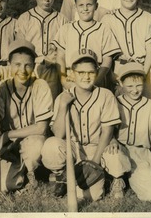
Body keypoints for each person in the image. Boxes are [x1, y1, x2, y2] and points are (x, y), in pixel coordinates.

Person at [41, 49, 123, 201]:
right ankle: (63, 176)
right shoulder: (63, 97)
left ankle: (111, 178)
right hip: (74, 149)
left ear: (97, 72)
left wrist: (94, 165)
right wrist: (63, 106)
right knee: (51, 145)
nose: (86, 77)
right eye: (81, 72)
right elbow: (58, 134)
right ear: (72, 73)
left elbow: (107, 132)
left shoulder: (105, 95)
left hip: (97, 149)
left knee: (91, 196)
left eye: (91, 72)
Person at [0, 39, 54, 191]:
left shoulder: (40, 85)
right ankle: (22, 174)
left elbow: (41, 128)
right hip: (10, 148)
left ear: (34, 66)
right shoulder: (2, 87)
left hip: (33, 142)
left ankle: (32, 174)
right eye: (17, 64)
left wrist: (8, 134)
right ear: (9, 64)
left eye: (27, 65)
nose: (22, 70)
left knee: (35, 145)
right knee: (7, 185)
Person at [103, 62, 151, 200]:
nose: (134, 90)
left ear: (144, 83)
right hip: (120, 150)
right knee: (113, 155)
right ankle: (116, 179)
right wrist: (112, 140)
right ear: (121, 84)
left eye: (139, 85)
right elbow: (108, 129)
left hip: (141, 154)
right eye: (129, 86)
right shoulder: (115, 102)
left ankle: (131, 177)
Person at [101, 0, 151, 98]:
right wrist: (112, 76)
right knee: (117, 111)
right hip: (117, 69)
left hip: (141, 67)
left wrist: (143, 76)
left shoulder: (147, 17)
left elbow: (150, 51)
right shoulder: (108, 19)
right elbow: (105, 52)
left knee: (143, 110)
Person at [52, 0, 121, 91]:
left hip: (95, 76)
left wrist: (97, 80)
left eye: (89, 4)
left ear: (96, 6)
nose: (85, 8)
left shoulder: (103, 29)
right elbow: (60, 57)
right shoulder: (66, 28)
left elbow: (107, 59)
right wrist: (63, 80)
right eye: (81, 5)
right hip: (72, 77)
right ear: (75, 7)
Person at [15, 0, 68, 100]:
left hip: (53, 69)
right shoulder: (24, 18)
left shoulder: (62, 19)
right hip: (31, 68)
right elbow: (20, 49)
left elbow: (65, 48)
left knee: (52, 105)